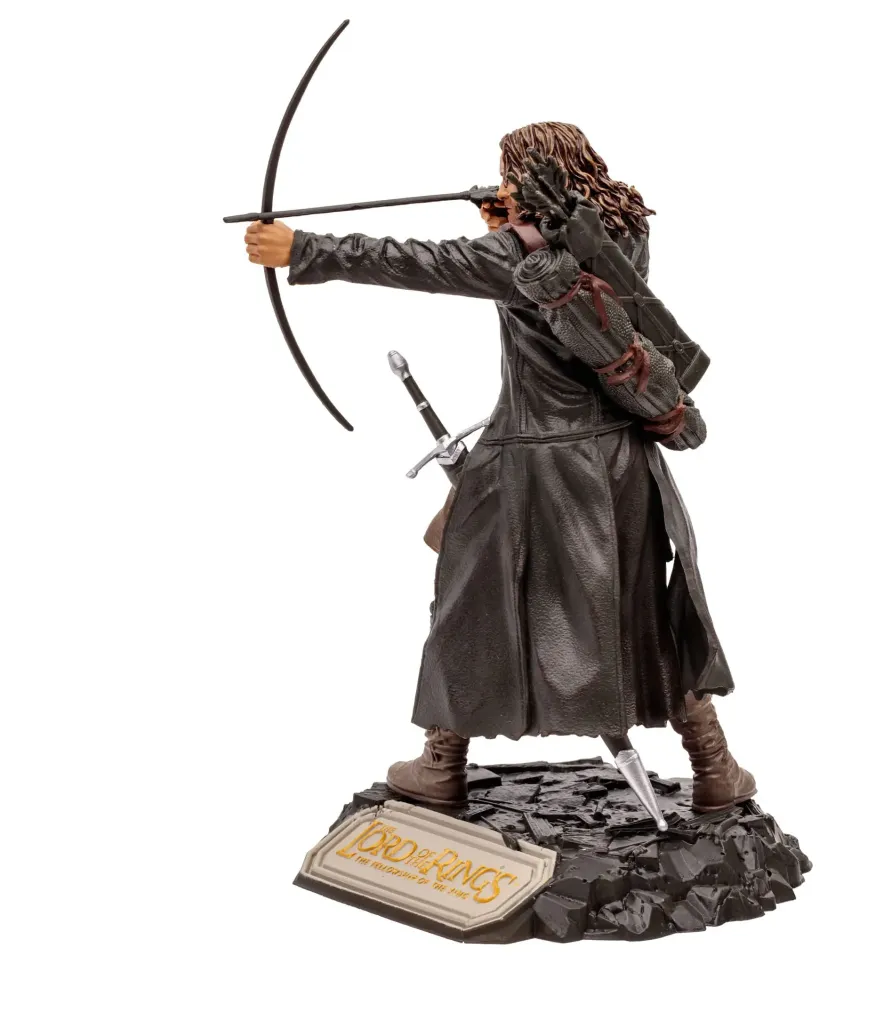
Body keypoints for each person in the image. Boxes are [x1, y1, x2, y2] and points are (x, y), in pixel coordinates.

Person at [244, 122, 755, 813]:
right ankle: (715, 768)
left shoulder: (515, 256)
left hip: (536, 464)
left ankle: (441, 764)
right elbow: (552, 259)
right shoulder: (621, 229)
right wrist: (513, 221)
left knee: (469, 606)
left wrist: (302, 248)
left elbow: (418, 262)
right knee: (647, 610)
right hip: (623, 458)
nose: (504, 186)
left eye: (512, 176)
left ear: (533, 178)